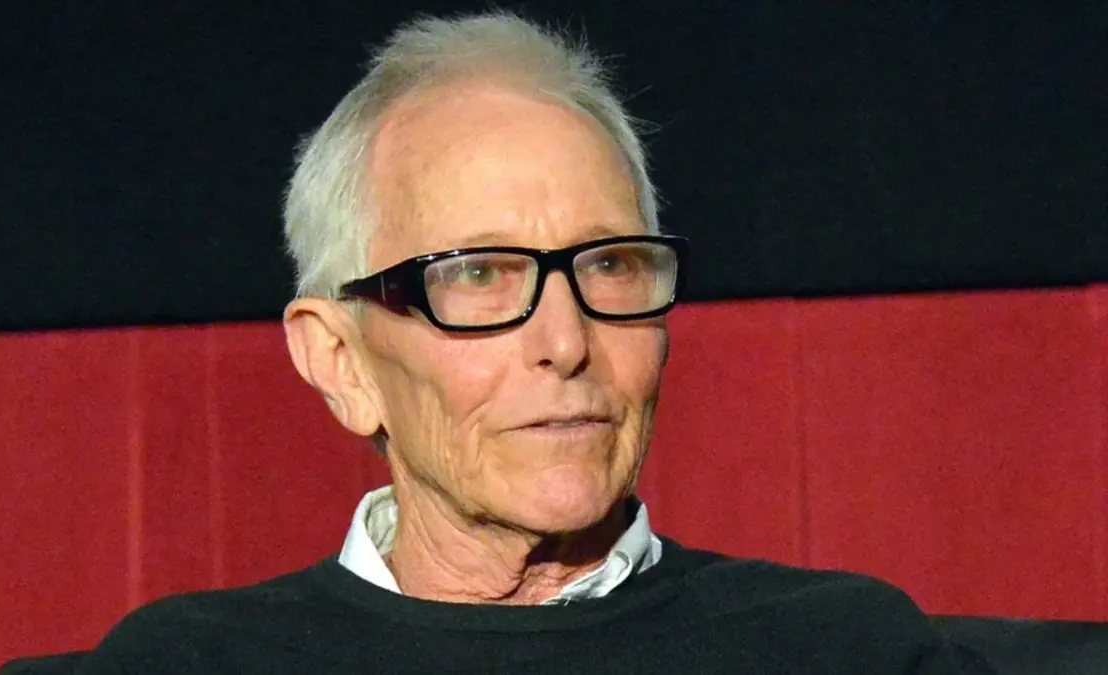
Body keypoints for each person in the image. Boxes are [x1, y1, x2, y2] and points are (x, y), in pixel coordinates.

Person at [74, 11, 969, 674]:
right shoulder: (180, 664)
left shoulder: (848, 650)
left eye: (609, 264)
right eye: (478, 275)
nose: (565, 341)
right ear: (342, 362)